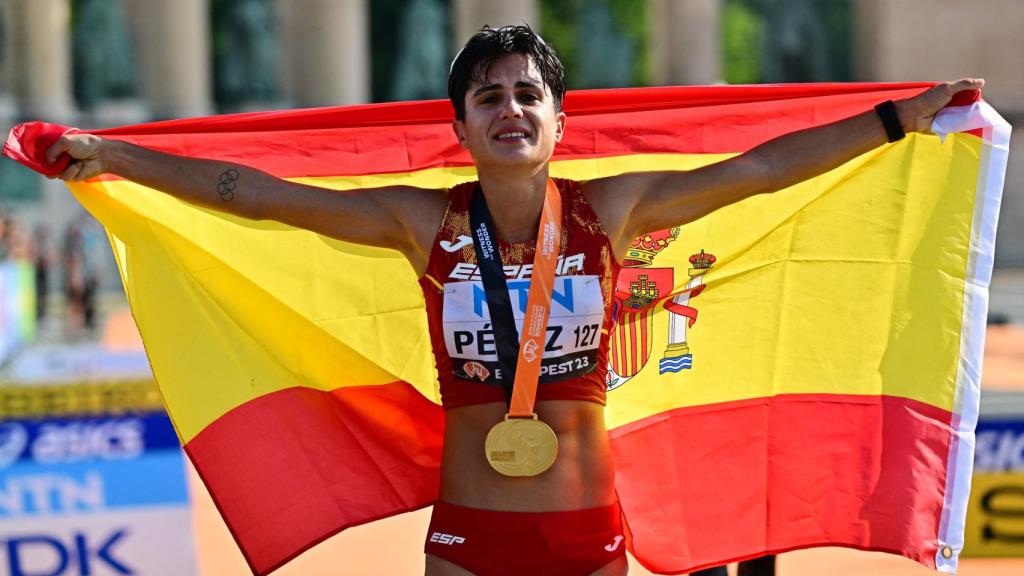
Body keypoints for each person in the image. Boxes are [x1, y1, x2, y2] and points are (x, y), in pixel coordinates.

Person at [45, 24, 981, 576]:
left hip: (588, 534)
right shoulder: (423, 225)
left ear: (559, 121)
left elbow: (764, 169)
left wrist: (897, 120)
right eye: (487, 96)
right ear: (459, 127)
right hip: (467, 536)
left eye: (529, 94)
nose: (510, 109)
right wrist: (119, 156)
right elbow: (252, 194)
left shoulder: (614, 211)